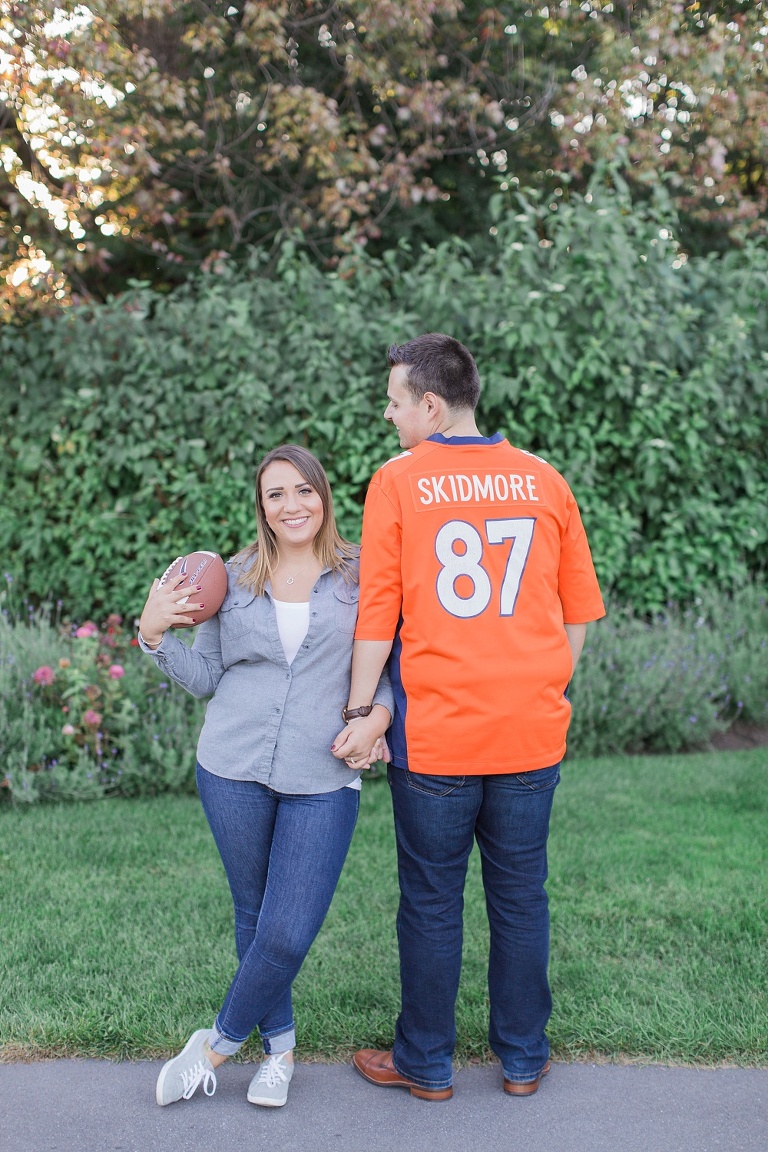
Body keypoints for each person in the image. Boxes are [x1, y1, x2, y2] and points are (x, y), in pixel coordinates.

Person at [332, 333, 605, 1101]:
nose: (387, 416)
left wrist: (362, 709)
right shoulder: (545, 479)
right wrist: (545, 685)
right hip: (530, 730)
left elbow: (377, 614)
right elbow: (576, 612)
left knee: (429, 899)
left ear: (430, 404)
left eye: (393, 402)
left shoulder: (397, 481)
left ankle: (426, 1064)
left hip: (439, 736)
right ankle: (522, 1059)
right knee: (521, 896)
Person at [138, 444, 392, 1109]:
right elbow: (208, 677)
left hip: (324, 774)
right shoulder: (230, 577)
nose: (292, 505)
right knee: (252, 912)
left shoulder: (364, 575)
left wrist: (382, 716)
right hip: (231, 766)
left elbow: (392, 663)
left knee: (287, 929)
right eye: (276, 494)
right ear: (262, 507)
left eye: (303, 491)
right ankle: (278, 1053)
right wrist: (155, 637)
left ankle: (213, 1046)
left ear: (324, 497)